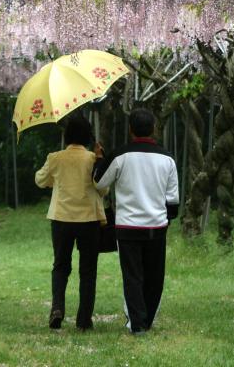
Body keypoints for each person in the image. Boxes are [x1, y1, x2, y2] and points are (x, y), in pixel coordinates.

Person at [93, 107, 179, 335]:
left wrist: (100, 159)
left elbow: (99, 182)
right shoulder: (167, 158)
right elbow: (173, 201)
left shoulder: (120, 155)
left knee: (133, 276)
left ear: (130, 129)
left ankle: (137, 323)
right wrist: (165, 219)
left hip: (127, 227)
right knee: (154, 276)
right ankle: (147, 319)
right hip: (157, 227)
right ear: (154, 129)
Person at [35, 114, 107, 331]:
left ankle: (57, 307)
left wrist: (54, 178)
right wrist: (101, 161)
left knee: (60, 265)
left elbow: (40, 180)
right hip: (89, 220)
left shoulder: (55, 158)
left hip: (61, 218)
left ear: (66, 136)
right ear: (87, 136)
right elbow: (103, 188)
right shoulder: (92, 159)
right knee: (88, 269)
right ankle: (84, 320)